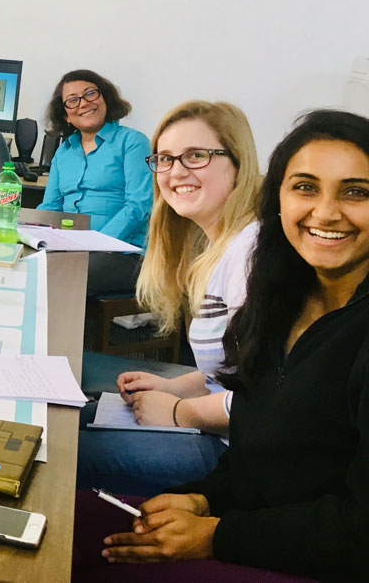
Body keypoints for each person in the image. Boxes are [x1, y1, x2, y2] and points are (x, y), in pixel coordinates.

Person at [76, 110, 369, 582]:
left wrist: (214, 532)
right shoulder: (285, 299)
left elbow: (357, 530)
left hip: (313, 557)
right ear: (278, 196)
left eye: (356, 191)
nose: (326, 212)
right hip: (251, 520)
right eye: (306, 187)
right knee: (69, 524)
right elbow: (262, 446)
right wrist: (203, 497)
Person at [77, 101, 260, 496]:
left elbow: (267, 404)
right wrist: (175, 386)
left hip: (235, 455)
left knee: (60, 451)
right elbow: (234, 373)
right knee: (64, 417)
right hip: (212, 423)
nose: (176, 172)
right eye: (164, 159)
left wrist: (180, 411)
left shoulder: (251, 256)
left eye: (196, 155)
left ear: (238, 163)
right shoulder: (220, 246)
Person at [38, 70, 153, 295]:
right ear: (66, 116)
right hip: (72, 247)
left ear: (105, 99)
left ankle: (74, 330)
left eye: (90, 93)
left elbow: (139, 206)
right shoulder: (64, 151)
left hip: (125, 253)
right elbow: (50, 207)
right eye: (72, 100)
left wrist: (93, 243)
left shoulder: (133, 142)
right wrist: (35, 235)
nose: (83, 103)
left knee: (63, 275)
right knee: (24, 265)